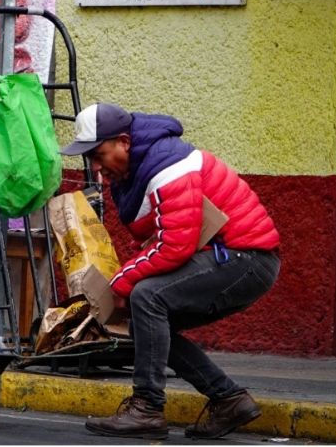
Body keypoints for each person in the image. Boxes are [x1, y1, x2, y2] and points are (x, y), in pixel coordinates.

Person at [60, 103, 280, 440]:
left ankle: (146, 409)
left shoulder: (169, 164)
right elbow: (160, 233)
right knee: (145, 323)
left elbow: (176, 244)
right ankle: (229, 399)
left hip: (245, 259)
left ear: (124, 142)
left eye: (99, 155)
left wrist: (120, 284)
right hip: (231, 257)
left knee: (146, 298)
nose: (96, 168)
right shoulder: (142, 167)